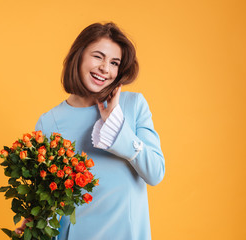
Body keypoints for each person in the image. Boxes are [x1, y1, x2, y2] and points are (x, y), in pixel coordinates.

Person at [20, 22, 165, 240]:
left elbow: (155, 173)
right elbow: (49, 199)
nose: (105, 68)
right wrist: (33, 225)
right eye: (98, 56)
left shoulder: (134, 105)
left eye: (114, 62)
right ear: (78, 56)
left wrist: (116, 125)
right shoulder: (49, 122)